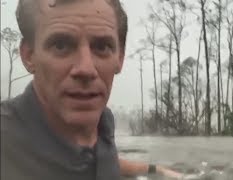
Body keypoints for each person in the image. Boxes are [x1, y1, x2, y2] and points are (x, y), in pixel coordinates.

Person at [0, 0, 182, 179]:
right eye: (61, 45)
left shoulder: (103, 121)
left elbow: (97, 162)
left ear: (120, 57)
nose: (86, 69)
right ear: (29, 55)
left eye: (102, 46)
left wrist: (156, 171)